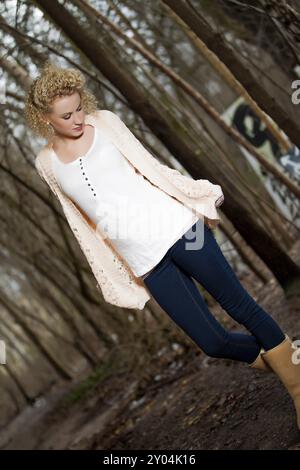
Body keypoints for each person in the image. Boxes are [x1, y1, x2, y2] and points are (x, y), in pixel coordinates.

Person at [25, 61, 300, 430]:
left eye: (78, 108)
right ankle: (290, 363)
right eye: (65, 115)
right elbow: (80, 222)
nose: (76, 119)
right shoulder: (46, 163)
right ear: (44, 117)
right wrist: (110, 266)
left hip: (180, 228)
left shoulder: (104, 122)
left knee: (242, 307)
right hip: (144, 259)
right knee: (211, 341)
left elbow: (149, 166)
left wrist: (193, 193)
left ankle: (297, 388)